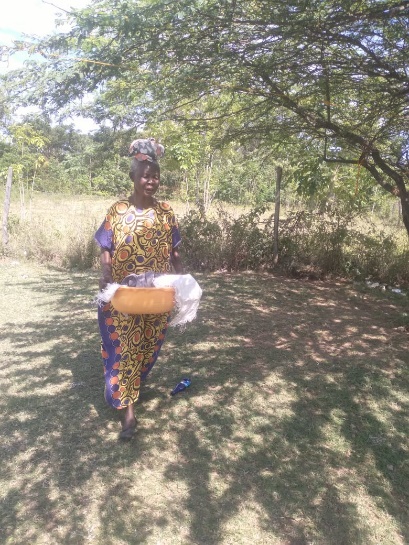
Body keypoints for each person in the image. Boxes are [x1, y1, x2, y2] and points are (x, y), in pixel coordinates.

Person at [94, 138, 183, 439]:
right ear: (133, 176)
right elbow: (105, 246)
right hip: (123, 296)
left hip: (155, 297)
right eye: (145, 175)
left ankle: (128, 386)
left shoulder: (166, 212)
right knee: (125, 350)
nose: (151, 181)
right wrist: (106, 271)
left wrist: (183, 280)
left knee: (146, 347)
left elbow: (175, 251)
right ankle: (128, 414)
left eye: (155, 176)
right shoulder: (118, 210)